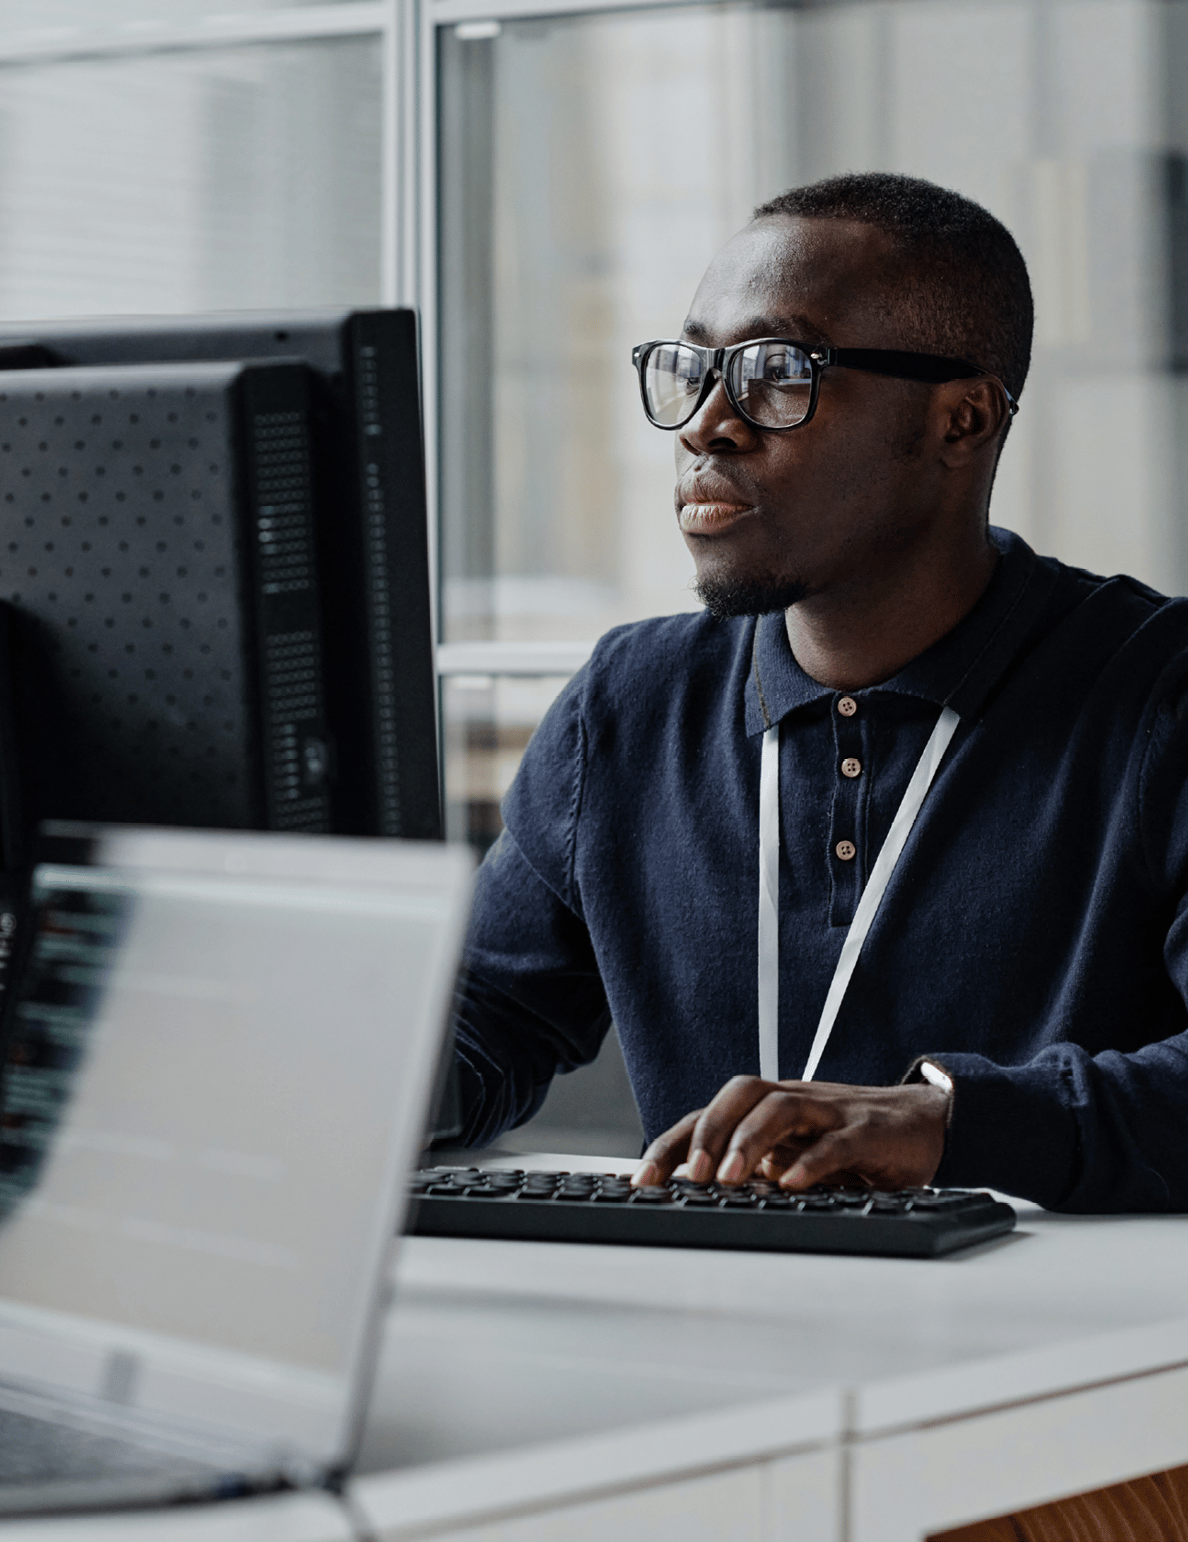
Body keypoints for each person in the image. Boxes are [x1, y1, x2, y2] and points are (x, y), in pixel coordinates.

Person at [451, 170, 1188, 1212]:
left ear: (962, 422)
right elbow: (485, 1025)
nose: (706, 424)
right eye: (692, 369)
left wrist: (947, 1124)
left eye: (774, 372)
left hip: (1065, 1358)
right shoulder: (629, 704)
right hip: (730, 1335)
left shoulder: (1158, 693)